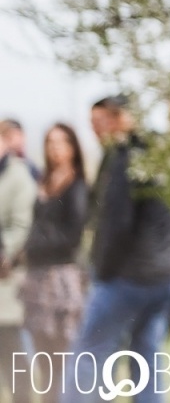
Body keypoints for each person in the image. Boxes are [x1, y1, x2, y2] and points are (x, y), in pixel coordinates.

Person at [61, 97, 170, 403]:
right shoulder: (163, 153)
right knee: (147, 362)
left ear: (117, 119)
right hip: (164, 277)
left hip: (127, 277)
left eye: (98, 123)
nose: (95, 132)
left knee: (89, 356)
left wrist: (101, 269)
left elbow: (116, 224)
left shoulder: (124, 157)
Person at [20, 124, 88, 403]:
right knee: (44, 361)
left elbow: (72, 236)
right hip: (37, 280)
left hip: (62, 279)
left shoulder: (77, 185)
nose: (55, 148)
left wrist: (33, 247)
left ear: (72, 147)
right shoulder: (43, 182)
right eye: (50, 142)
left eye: (61, 142)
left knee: (63, 357)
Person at [0, 131, 35, 403]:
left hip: (5, 279)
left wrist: (5, 253)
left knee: (11, 348)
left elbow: (21, 225)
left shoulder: (18, 176)